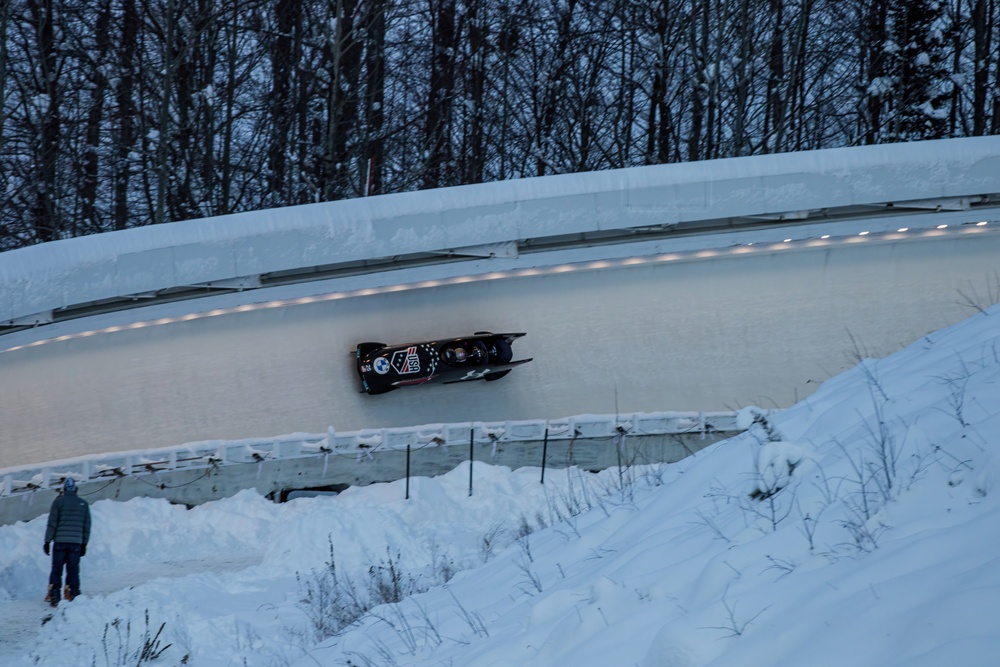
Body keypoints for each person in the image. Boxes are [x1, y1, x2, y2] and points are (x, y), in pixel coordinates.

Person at [44, 477, 90, 607]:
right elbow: (86, 526)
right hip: (75, 543)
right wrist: (84, 544)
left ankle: (54, 595)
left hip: (59, 542)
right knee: (73, 570)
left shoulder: (58, 502)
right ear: (75, 489)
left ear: (64, 489)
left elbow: (52, 523)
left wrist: (47, 541)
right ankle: (73, 594)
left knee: (56, 569)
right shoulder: (83, 504)